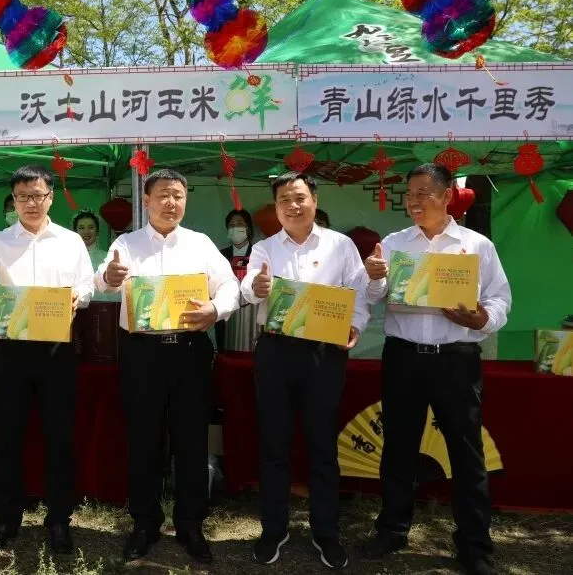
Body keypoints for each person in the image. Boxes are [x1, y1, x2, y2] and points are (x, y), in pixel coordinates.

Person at [361, 164, 511, 575]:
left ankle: (474, 545)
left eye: (424, 192)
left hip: (456, 358)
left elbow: (500, 298)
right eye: (409, 193)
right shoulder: (394, 243)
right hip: (403, 356)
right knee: (399, 447)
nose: (414, 201)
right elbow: (372, 295)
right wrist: (374, 277)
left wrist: (482, 319)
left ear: (447, 196)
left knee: (466, 452)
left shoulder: (476, 245)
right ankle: (392, 530)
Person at [97, 169, 239, 564]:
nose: (170, 202)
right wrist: (108, 275)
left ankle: (191, 523)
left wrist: (216, 308)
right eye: (162, 194)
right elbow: (103, 282)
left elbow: (229, 285)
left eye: (177, 195)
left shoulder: (200, 243)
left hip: (189, 351)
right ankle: (144, 523)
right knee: (144, 438)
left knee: (191, 439)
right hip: (142, 353)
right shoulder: (126, 243)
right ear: (146, 200)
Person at [239, 172, 369, 570]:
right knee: (274, 444)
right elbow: (247, 289)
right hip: (276, 351)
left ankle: (326, 531)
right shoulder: (264, 247)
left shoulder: (341, 246)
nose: (292, 206)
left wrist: (355, 325)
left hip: (323, 354)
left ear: (314, 199)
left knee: (322, 445)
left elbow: (359, 294)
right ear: (276, 207)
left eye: (299, 197)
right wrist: (255, 289)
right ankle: (273, 529)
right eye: (284, 200)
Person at [0, 165, 94, 554]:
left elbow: (87, 283)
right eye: (23, 197)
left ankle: (59, 521)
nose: (31, 203)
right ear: (14, 201)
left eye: (38, 195)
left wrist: (79, 296)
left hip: (57, 348)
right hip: (14, 350)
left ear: (50, 197)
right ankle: (5, 520)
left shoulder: (70, 241)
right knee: (8, 436)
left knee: (59, 437)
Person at [217, 208, 255, 351]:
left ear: (248, 228)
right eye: (231, 225)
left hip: (251, 316)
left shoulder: (258, 253)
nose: (235, 228)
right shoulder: (220, 255)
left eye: (240, 223)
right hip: (226, 317)